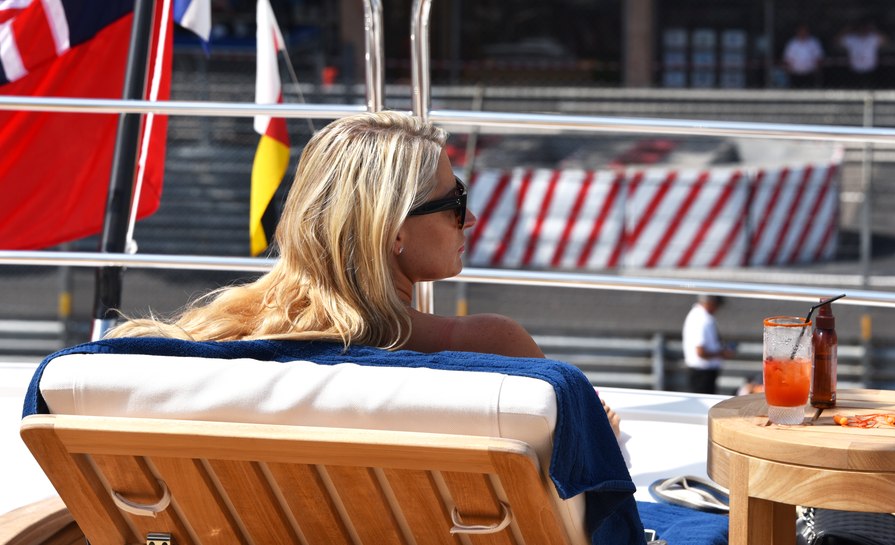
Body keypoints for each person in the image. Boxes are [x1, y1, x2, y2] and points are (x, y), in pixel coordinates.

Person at [105, 111, 621, 434]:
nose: (472, 217)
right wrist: (604, 432)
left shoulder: (195, 355)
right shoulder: (489, 348)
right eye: (455, 199)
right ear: (394, 231)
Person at [681, 294, 734, 395]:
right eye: (716, 305)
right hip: (703, 374)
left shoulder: (698, 316)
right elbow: (700, 352)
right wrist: (722, 354)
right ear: (710, 303)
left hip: (701, 373)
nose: (717, 309)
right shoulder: (702, 319)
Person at [837, 20, 886, 89]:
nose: (863, 30)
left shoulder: (873, 38)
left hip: (870, 69)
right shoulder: (851, 38)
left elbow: (885, 42)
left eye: (865, 28)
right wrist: (846, 30)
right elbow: (837, 42)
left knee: (871, 89)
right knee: (855, 89)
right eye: (861, 28)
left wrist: (874, 29)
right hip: (855, 69)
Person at [782, 24, 824, 89]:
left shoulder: (814, 42)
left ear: (808, 32)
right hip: (795, 74)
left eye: (804, 31)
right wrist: (787, 71)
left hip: (810, 74)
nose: (803, 33)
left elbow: (819, 57)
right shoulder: (792, 43)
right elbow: (787, 59)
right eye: (801, 31)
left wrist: (818, 71)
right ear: (797, 32)